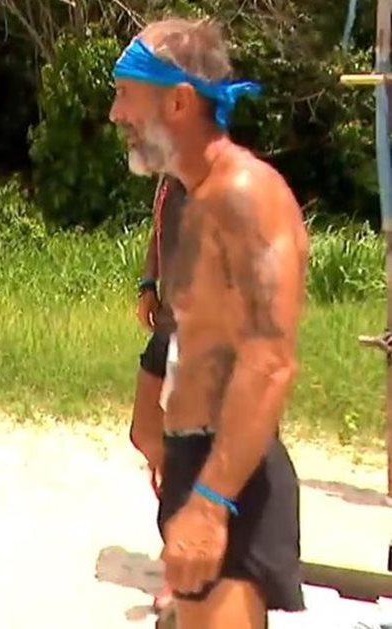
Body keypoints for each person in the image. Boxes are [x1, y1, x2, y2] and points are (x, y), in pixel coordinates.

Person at [109, 16, 309, 628]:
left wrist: (211, 502)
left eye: (126, 93)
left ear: (178, 101)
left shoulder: (246, 195)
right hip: (198, 457)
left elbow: (269, 360)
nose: (116, 114)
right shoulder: (196, 194)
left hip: (233, 472)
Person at [129, 173, 187, 619]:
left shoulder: (213, 174)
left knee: (187, 446)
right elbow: (160, 228)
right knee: (147, 435)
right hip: (169, 322)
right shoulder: (170, 173)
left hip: (198, 330)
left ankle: (180, 563)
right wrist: (149, 282)